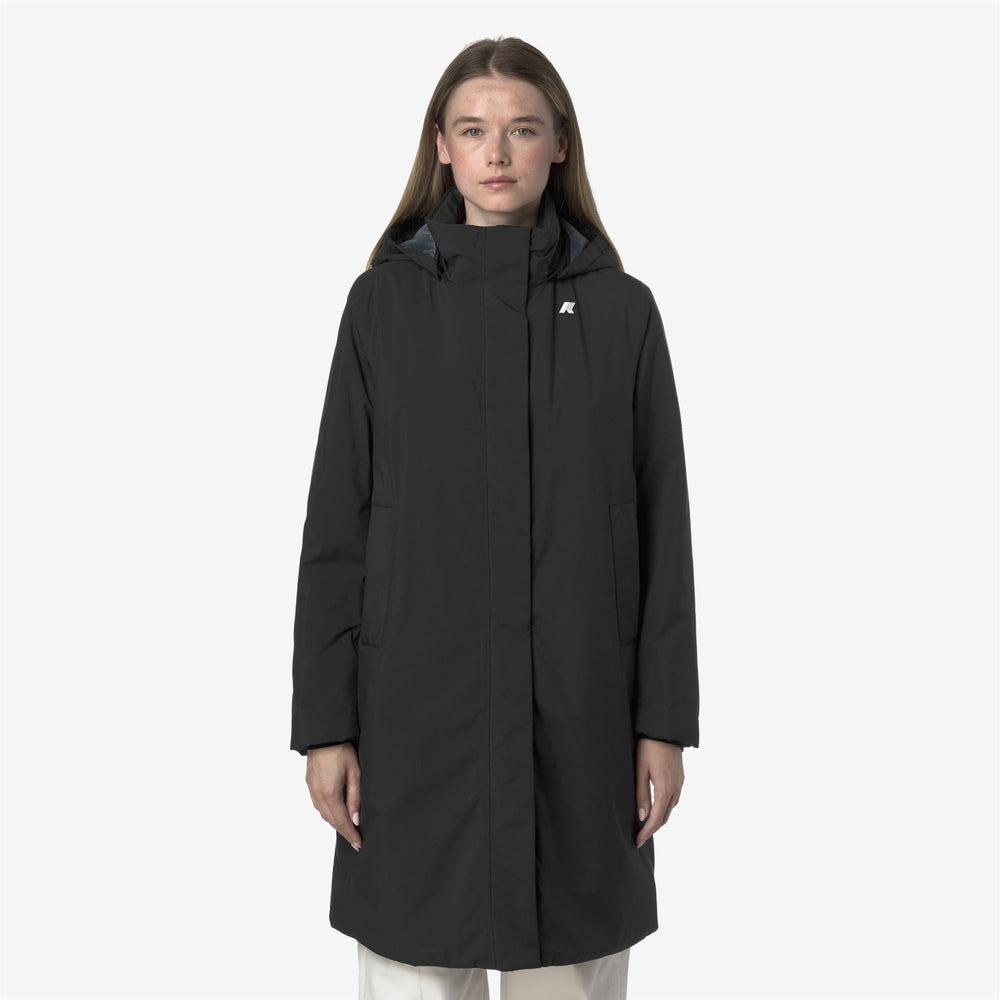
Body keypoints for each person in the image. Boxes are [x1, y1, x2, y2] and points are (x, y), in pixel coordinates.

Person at [290, 35, 700, 1000]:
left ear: (560, 143)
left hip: (582, 717)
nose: (498, 152)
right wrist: (325, 727)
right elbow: (336, 528)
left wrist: (663, 723)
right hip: (413, 721)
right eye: (473, 130)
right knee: (414, 964)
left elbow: (662, 530)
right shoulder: (382, 308)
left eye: (522, 129)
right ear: (440, 147)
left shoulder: (623, 314)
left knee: (568, 970)